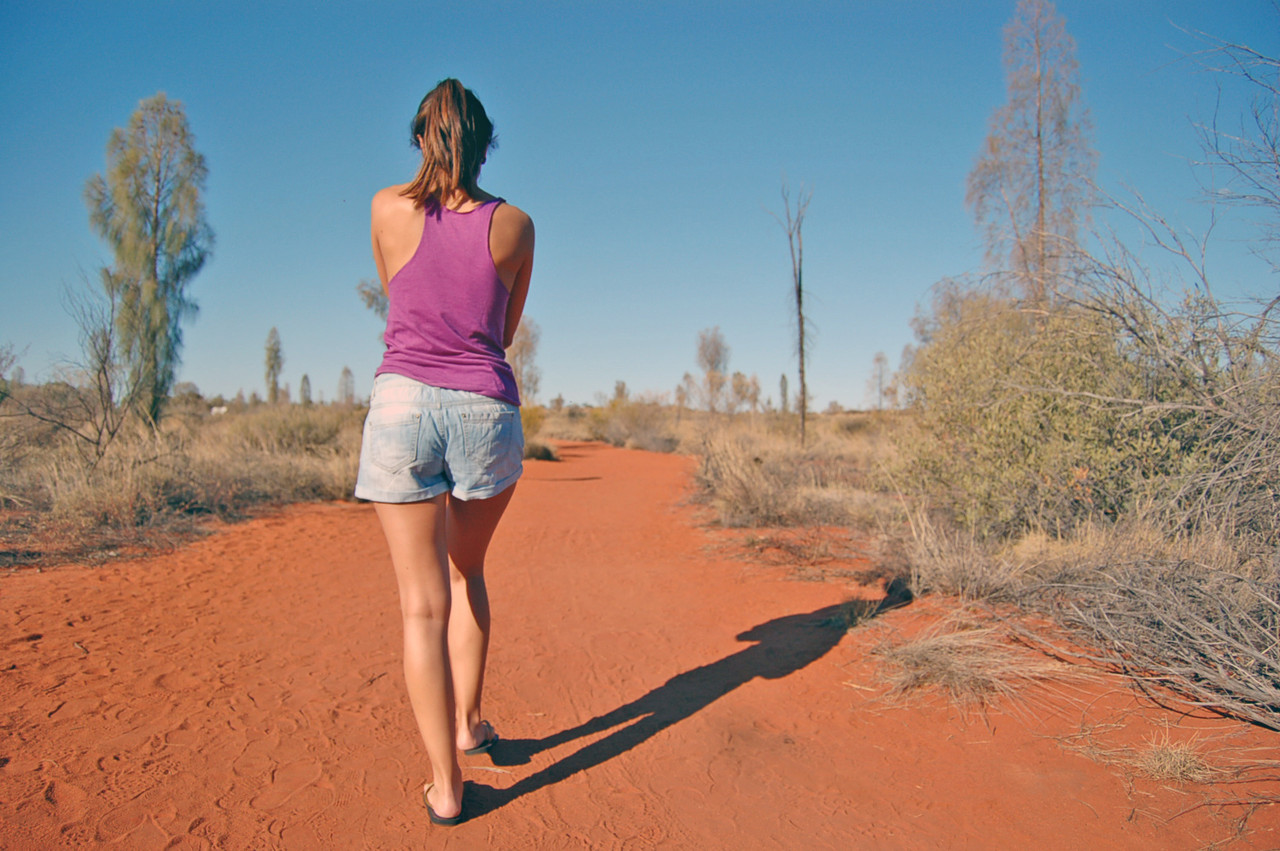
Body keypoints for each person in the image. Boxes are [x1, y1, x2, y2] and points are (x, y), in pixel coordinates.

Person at [354, 78, 534, 826]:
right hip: (484, 407)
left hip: (401, 404)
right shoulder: (516, 224)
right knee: (468, 574)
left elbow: (396, 290)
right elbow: (504, 330)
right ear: (486, 142)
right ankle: (470, 722)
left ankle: (446, 784)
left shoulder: (385, 208)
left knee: (418, 607)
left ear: (421, 138)